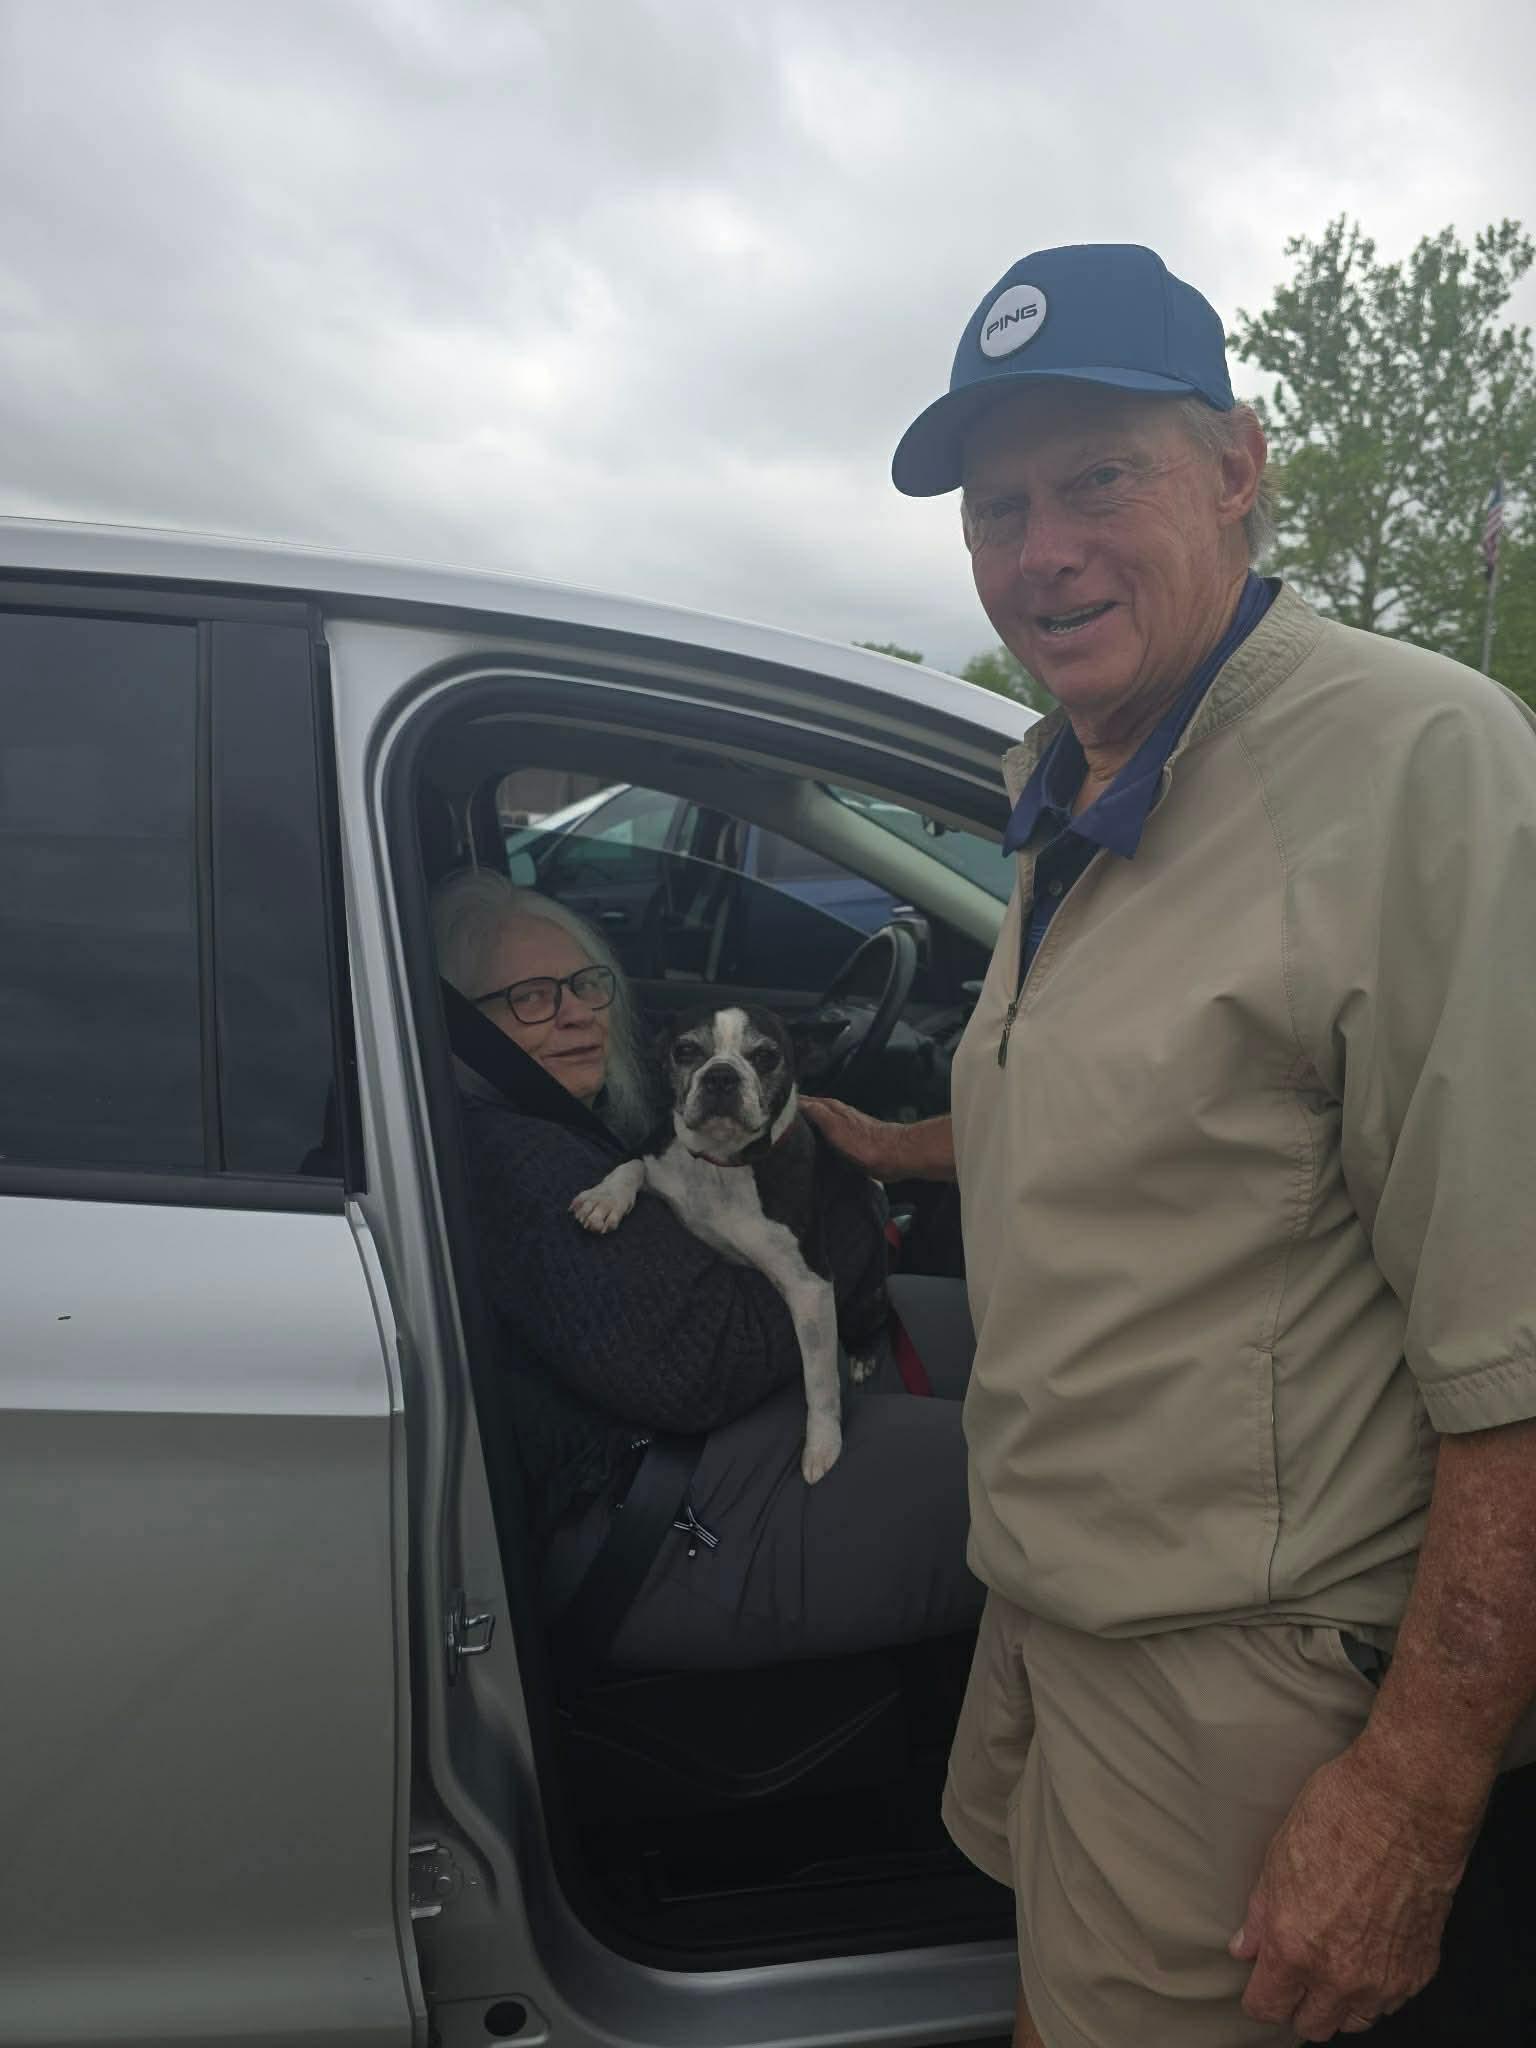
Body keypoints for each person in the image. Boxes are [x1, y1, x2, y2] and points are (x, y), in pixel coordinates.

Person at [801, 243, 1536, 2047]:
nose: (1037, 551)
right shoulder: (1070, 776)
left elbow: (1513, 1343)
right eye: (997, 508)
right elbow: (1153, 1117)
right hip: (1053, 1609)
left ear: (1235, 466)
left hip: (1245, 1670)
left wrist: (1414, 1796)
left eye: (1095, 480)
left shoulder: (1414, 761)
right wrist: (895, 1146)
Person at [430, 868, 983, 1671]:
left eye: (587, 985)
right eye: (531, 998)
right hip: (657, 1512)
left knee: (1015, 1333)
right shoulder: (522, 1165)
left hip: (716, 1412)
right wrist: (847, 1205)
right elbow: (700, 1363)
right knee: (1054, 1479)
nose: (578, 1013)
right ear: (460, 1026)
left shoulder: (566, 1105)